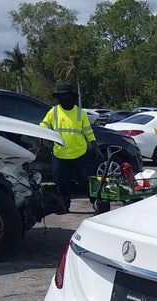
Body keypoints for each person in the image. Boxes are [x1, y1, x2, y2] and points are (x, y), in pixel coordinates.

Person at [40, 83, 102, 212]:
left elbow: (88, 131)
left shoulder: (80, 113)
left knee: (85, 180)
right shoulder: (54, 112)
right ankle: (64, 205)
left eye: (67, 96)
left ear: (72, 97)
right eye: (62, 96)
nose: (65, 99)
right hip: (60, 154)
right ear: (59, 98)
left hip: (79, 153)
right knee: (61, 182)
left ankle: (95, 202)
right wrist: (41, 134)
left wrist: (95, 146)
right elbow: (44, 125)